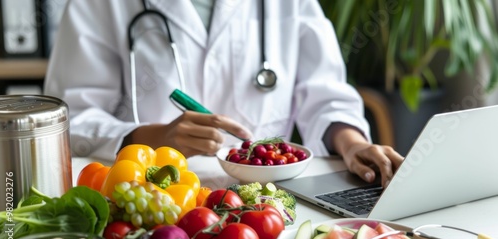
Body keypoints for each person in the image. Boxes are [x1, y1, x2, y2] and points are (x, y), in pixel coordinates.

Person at [44, 0, 403, 187]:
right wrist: (156, 138)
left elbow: (325, 93)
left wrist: (353, 144)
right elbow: (70, 118)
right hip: (154, 194)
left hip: (268, 200)